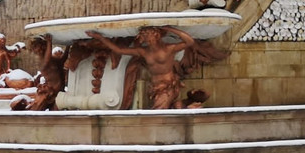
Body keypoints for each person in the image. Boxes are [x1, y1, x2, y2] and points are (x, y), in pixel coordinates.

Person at [86, 26, 215, 109]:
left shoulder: (169, 49)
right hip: (155, 88)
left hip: (168, 85)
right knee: (162, 109)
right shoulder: (143, 51)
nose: (148, 40)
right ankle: (180, 108)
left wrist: (170, 28)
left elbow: (189, 42)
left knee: (158, 111)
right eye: (146, 37)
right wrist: (100, 37)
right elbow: (119, 50)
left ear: (157, 36)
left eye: (150, 36)